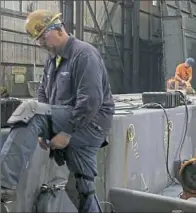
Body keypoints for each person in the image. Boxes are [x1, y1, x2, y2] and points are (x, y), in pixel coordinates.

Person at [0, 9, 115, 213]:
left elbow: (90, 101)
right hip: (74, 121)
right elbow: (44, 93)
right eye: (38, 40)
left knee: (30, 111)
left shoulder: (84, 54)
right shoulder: (53, 59)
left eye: (43, 37)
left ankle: (2, 186)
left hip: (89, 123)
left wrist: (66, 132)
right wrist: (46, 128)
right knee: (81, 187)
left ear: (58, 29)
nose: (41, 44)